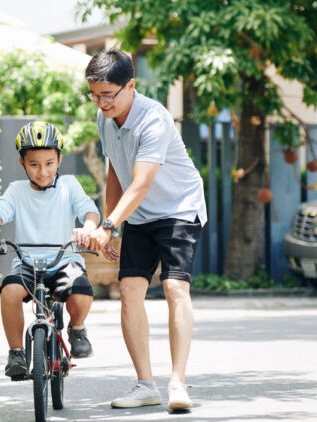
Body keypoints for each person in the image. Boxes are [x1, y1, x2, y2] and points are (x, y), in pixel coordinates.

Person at [84, 49, 207, 410]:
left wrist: (108, 225)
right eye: (95, 94)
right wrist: (113, 221)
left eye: (108, 94)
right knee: (129, 289)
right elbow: (114, 171)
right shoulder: (104, 118)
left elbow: (139, 183)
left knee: (174, 286)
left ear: (130, 86)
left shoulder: (153, 119)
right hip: (139, 215)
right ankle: (145, 384)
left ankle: (178, 384)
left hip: (178, 208)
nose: (102, 102)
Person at [0, 121, 101, 379]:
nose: (43, 171)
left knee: (80, 291)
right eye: (34, 164)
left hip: (64, 259)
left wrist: (87, 228)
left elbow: (88, 209)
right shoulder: (17, 191)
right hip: (27, 262)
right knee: (10, 291)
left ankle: (77, 329)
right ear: (22, 164)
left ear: (59, 159)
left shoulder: (69, 185)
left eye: (49, 163)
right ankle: (16, 353)